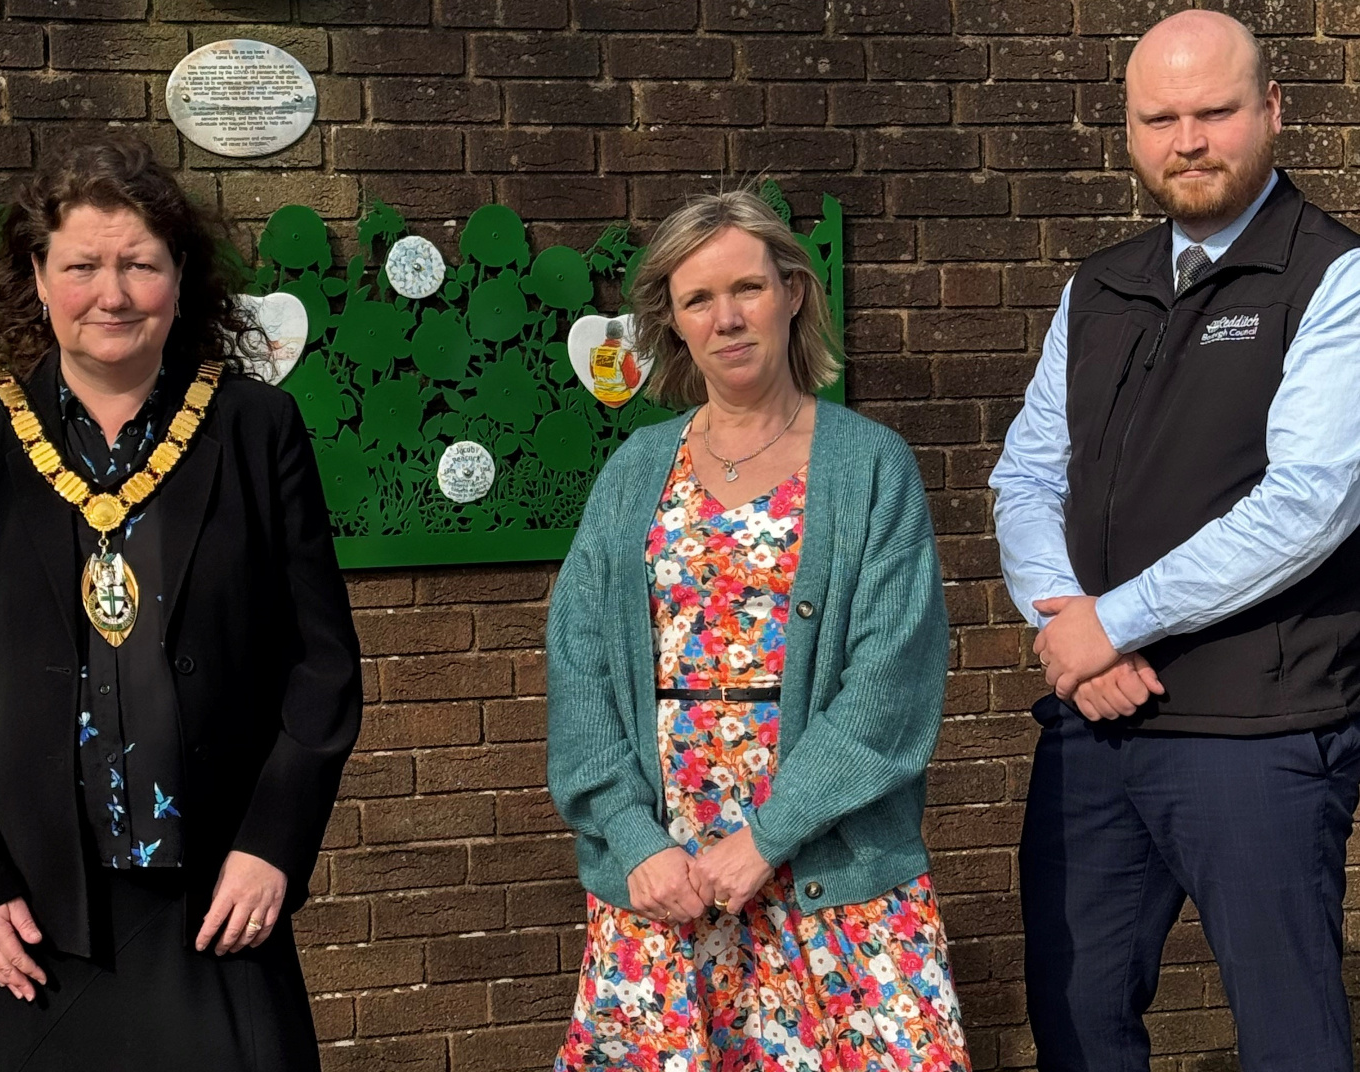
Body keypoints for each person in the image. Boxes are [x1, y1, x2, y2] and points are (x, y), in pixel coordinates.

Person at [0, 134, 362, 1071]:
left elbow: (322, 665)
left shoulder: (255, 429)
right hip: (44, 916)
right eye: (83, 266)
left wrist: (273, 845)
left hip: (225, 899)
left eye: (140, 264)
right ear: (38, 274)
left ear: (178, 276)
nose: (113, 293)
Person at [990, 11, 1360, 1070]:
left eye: (1214, 112)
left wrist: (1111, 622)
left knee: (1290, 1038)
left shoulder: (1334, 280)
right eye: (1161, 117)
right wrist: (1067, 625)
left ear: (1273, 112)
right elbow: (1024, 474)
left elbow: (1309, 504)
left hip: (1260, 730)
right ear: (1129, 130)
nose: (1188, 139)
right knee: (1076, 1017)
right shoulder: (1098, 284)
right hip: (1094, 726)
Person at [546, 190, 968, 1072]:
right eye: (699, 298)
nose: (727, 317)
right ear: (673, 320)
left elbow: (892, 683)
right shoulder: (632, 474)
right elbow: (579, 665)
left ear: (793, 295)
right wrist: (634, 839)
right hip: (666, 879)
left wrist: (766, 840)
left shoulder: (872, 467)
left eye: (748, 288)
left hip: (832, 868)